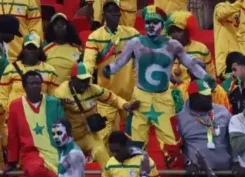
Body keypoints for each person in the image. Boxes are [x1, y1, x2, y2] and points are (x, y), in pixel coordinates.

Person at [103, 6, 215, 151]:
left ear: (162, 25)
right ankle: (137, 165)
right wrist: (110, 69)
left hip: (164, 98)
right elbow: (120, 61)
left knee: (171, 143)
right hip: (141, 98)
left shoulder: (173, 45)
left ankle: (174, 166)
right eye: (147, 22)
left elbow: (190, 63)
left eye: (155, 22)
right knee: (136, 144)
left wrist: (205, 76)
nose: (151, 25)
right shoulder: (135, 43)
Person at [53, 63, 138, 167]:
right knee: (63, 165)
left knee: (100, 152)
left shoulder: (93, 89)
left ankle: (111, 176)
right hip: (69, 138)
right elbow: (53, 115)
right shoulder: (61, 93)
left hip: (88, 134)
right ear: (72, 79)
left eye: (87, 80)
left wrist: (126, 105)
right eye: (81, 80)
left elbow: (112, 98)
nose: (85, 83)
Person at [82, 0, 139, 144]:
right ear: (104, 15)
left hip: (130, 94)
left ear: (120, 14)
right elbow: (88, 62)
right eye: (110, 11)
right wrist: (86, 80)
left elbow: (144, 54)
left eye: (116, 11)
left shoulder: (132, 34)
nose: (114, 14)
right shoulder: (95, 37)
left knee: (136, 134)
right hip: (107, 95)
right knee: (104, 137)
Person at [5, 71, 65, 177]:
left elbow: (63, 129)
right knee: (35, 170)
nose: (36, 86)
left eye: (38, 83)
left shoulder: (54, 103)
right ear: (24, 86)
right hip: (31, 152)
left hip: (55, 150)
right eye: (32, 83)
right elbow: (13, 135)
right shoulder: (15, 105)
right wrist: (12, 161)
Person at [177, 80, 233, 177]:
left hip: (226, 174)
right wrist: (187, 162)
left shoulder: (223, 112)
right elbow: (177, 148)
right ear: (193, 97)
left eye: (209, 94)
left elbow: (233, 139)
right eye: (205, 95)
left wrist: (237, 161)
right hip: (198, 175)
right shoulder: (180, 118)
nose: (210, 98)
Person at [0, 33, 59, 109]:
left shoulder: (50, 70)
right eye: (28, 48)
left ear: (40, 50)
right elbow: (3, 93)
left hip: (41, 111)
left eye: (34, 48)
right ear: (23, 49)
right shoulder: (11, 68)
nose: (31, 51)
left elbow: (54, 95)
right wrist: (8, 110)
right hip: (16, 112)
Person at [167, 11, 216, 84]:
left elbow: (211, 76)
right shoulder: (165, 49)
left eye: (179, 31)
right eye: (172, 32)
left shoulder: (201, 49)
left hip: (196, 88)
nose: (175, 35)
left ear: (188, 31)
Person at [43, 13, 82, 85]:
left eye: (62, 24)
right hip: (50, 87)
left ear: (68, 27)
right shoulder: (45, 48)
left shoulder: (78, 49)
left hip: (70, 88)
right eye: (56, 25)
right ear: (51, 28)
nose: (59, 27)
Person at [213, 0, 244, 76]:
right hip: (225, 63)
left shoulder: (241, 10)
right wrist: (240, 2)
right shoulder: (220, 7)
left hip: (240, 58)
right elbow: (221, 14)